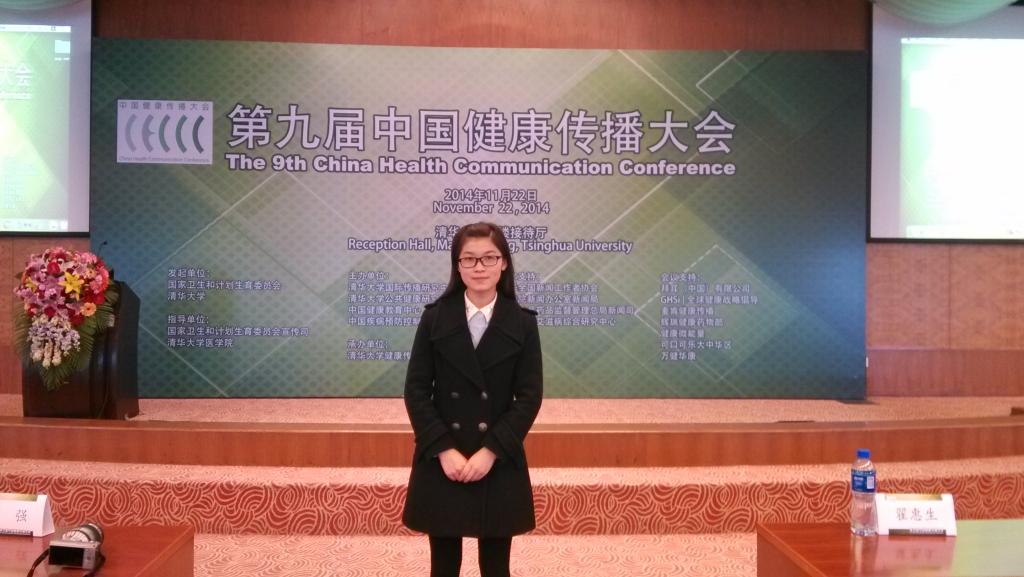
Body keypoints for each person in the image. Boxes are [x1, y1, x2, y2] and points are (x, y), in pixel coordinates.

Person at [402, 222, 543, 577]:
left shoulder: (522, 323)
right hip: (443, 457)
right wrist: (443, 449)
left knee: (496, 567)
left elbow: (529, 397)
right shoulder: (435, 318)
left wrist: (490, 451)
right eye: (469, 259)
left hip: (497, 457)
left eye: (489, 258)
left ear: (504, 263)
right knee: (443, 567)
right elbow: (416, 390)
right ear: (458, 265)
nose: (479, 267)